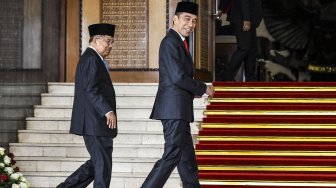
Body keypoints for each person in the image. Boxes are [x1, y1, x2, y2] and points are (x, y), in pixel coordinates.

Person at [141, 2, 214, 188]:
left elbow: (179, 77)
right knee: (172, 155)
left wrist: (191, 91)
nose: (191, 24)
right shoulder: (170, 42)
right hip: (173, 109)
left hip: (178, 108)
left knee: (186, 159)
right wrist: (202, 88)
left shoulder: (180, 42)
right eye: (187, 19)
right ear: (175, 19)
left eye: (195, 20)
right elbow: (177, 76)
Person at [56, 23, 118, 188]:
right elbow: (91, 90)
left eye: (112, 42)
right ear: (96, 40)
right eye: (108, 41)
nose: (110, 46)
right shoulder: (91, 59)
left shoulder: (94, 58)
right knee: (102, 167)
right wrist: (107, 111)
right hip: (95, 122)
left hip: (95, 123)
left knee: (96, 164)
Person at [222, 0, 263, 81]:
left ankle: (250, 78)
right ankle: (227, 77)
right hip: (242, 18)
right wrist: (246, 18)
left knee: (251, 49)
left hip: (250, 19)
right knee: (244, 48)